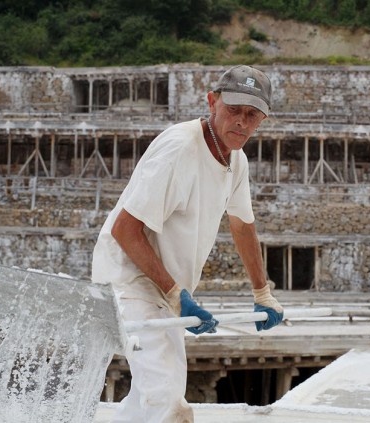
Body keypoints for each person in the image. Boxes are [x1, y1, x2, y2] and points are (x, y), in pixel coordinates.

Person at [91, 65, 284, 423]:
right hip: (129, 281)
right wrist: (176, 294)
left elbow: (242, 225)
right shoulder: (180, 148)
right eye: (233, 110)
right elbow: (124, 229)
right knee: (166, 401)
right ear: (212, 102)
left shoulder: (236, 159)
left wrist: (262, 292)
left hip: (165, 288)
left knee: (150, 397)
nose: (241, 122)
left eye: (252, 115)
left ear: (262, 119)